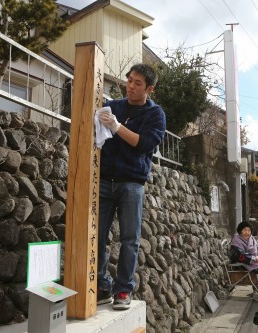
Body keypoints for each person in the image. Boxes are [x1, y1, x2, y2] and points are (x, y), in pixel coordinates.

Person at [96, 63, 166, 310]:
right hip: (103, 180)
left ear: (150, 89)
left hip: (132, 183)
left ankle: (123, 290)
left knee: (130, 240)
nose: (131, 86)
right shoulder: (113, 105)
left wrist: (116, 127)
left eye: (138, 83)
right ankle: (102, 287)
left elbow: (145, 144)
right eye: (130, 80)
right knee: (98, 237)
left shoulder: (155, 114)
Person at [229, 221, 258, 287]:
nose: (247, 233)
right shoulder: (236, 241)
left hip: (252, 261)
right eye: (244, 230)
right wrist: (254, 258)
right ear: (240, 231)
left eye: (249, 230)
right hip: (242, 263)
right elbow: (241, 255)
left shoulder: (252, 238)